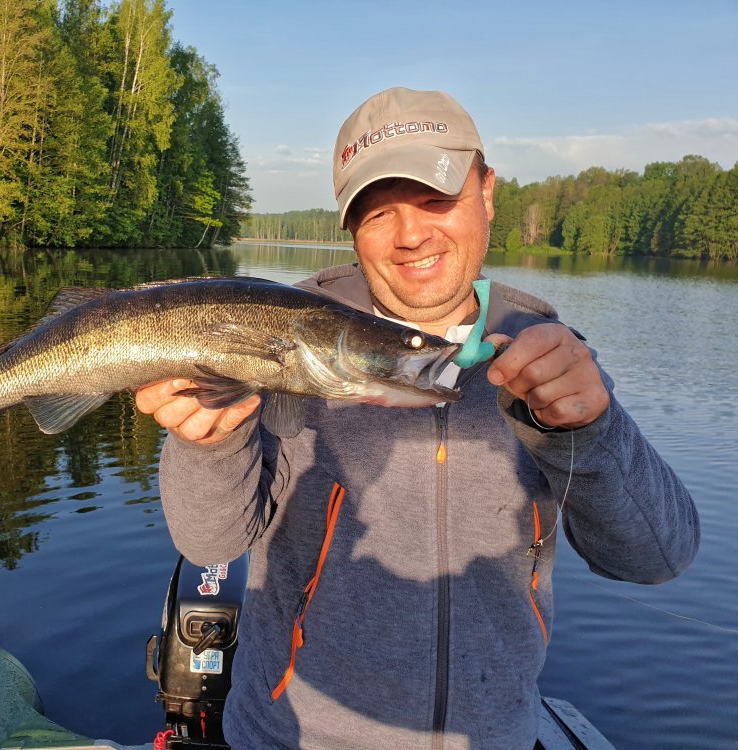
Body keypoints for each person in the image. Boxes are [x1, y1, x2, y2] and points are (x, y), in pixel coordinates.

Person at [135, 87, 699, 749]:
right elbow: (210, 540)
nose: (410, 235)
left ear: (487, 192)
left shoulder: (548, 352)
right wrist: (206, 444)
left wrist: (590, 429)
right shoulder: (277, 339)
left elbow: (655, 558)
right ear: (349, 227)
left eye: (437, 200)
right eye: (377, 212)